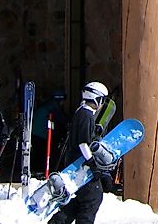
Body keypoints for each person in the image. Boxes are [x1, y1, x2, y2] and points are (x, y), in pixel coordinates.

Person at [49, 81, 112, 224]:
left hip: (76, 161)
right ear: (97, 98)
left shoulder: (81, 111)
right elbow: (83, 143)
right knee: (92, 198)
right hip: (81, 164)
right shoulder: (86, 115)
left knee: (80, 200)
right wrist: (92, 164)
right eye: (102, 99)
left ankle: (57, 222)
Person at [32, 89, 68, 174]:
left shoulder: (48, 104)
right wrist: (69, 123)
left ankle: (37, 169)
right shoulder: (53, 106)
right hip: (41, 133)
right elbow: (61, 119)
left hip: (35, 132)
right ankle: (40, 170)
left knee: (38, 152)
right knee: (43, 153)